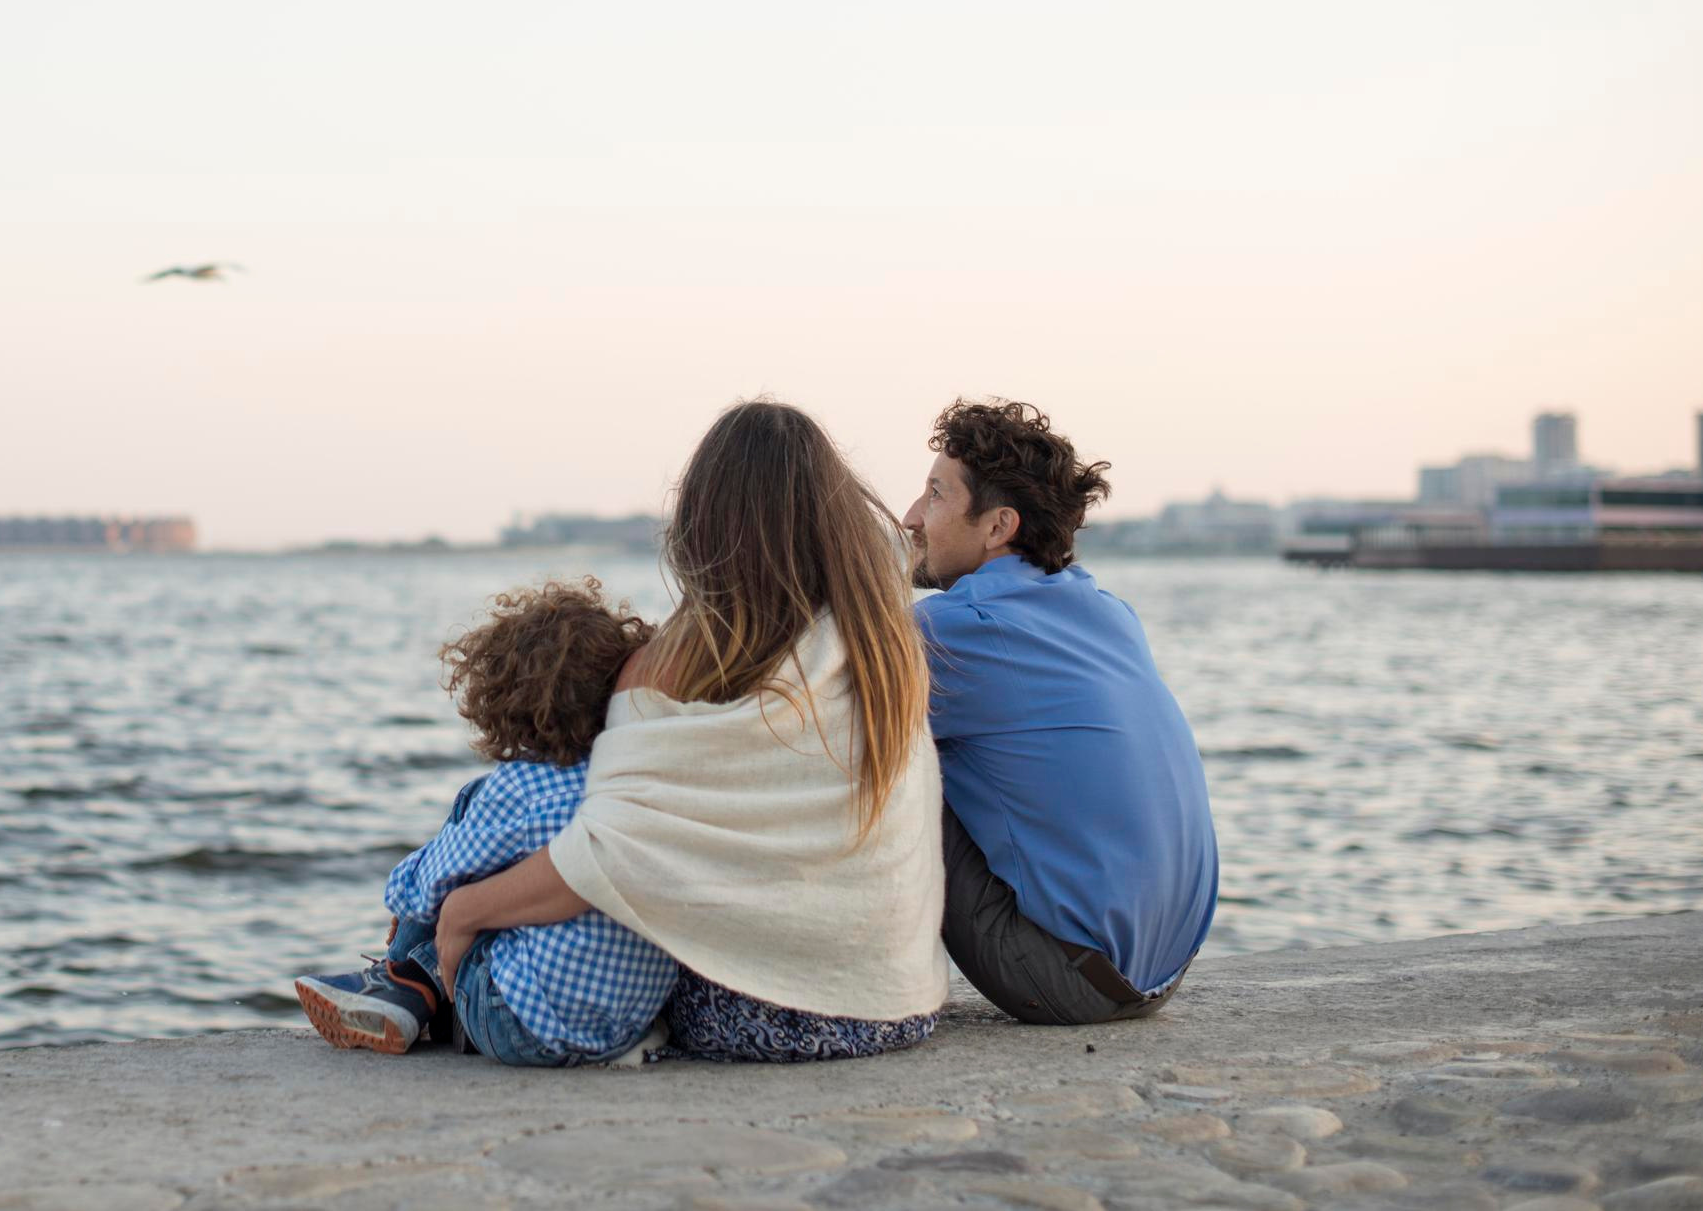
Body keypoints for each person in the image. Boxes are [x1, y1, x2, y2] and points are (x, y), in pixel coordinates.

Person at [430, 401, 948, 1063]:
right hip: (893, 1005)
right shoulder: (882, 649)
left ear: (703, 523)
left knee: (535, 797)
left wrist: (464, 910)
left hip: (748, 1012)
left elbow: (607, 853)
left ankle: (410, 968)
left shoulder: (673, 663)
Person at [901, 398, 1219, 1026]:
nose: (911, 516)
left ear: (998, 527)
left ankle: (826, 989)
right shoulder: (1109, 611)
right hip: (1166, 972)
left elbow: (797, 708)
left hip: (1068, 981)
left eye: (935, 495)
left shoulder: (957, 627)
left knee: (878, 743)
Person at [292, 579, 679, 1065]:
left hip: (519, 1025)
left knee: (467, 828)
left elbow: (429, 885)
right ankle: (415, 989)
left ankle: (402, 983)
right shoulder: (630, 783)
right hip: (627, 1020)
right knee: (508, 873)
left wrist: (410, 895)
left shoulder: (518, 787)